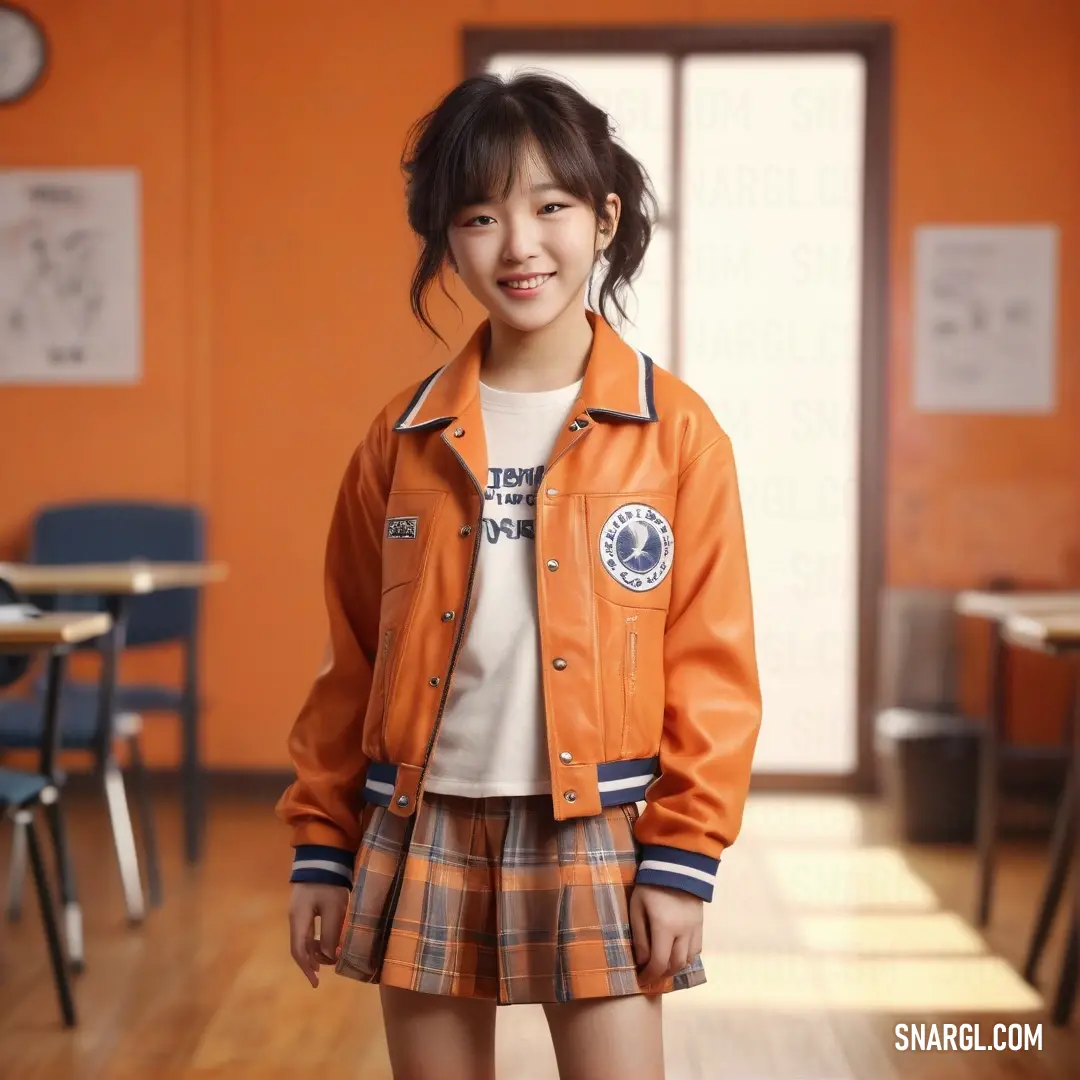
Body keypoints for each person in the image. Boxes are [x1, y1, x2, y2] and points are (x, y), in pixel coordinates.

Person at [276, 69, 762, 1080]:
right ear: (445, 239)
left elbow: (712, 668)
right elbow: (350, 663)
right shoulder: (398, 439)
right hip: (423, 818)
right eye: (480, 215)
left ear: (605, 217)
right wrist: (322, 842)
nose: (519, 244)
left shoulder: (677, 435)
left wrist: (683, 862)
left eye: (552, 206)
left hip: (601, 825)